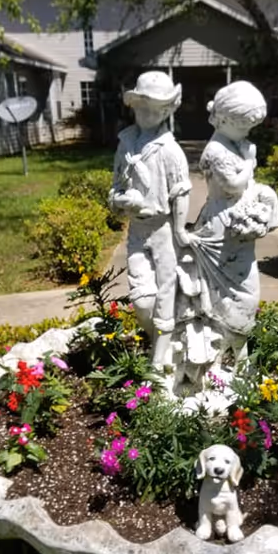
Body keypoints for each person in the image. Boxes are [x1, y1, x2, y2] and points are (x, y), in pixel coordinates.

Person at [179, 81, 278, 371]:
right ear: (223, 119)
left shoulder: (234, 142)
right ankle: (222, 358)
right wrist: (249, 162)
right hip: (221, 230)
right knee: (227, 295)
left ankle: (238, 353)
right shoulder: (215, 150)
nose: (248, 132)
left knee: (246, 293)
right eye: (244, 125)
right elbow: (233, 185)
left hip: (237, 228)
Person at [109, 71, 191, 369]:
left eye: (156, 109)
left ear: (167, 111)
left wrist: (181, 228)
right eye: (142, 107)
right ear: (134, 106)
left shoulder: (170, 151)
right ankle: (160, 341)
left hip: (163, 229)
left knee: (166, 292)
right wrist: (120, 200)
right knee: (143, 300)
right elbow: (115, 186)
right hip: (137, 230)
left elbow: (181, 191)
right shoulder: (126, 143)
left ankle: (159, 361)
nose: (148, 114)